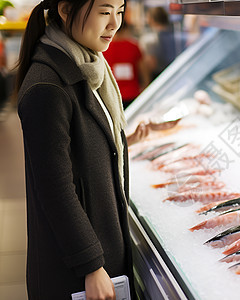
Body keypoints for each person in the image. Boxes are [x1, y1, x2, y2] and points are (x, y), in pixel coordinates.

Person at [14, 0, 151, 298]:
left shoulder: (87, 66)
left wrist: (123, 142)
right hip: (74, 271)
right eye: (104, 12)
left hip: (100, 249)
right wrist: (90, 265)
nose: (114, 24)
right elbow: (54, 188)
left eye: (120, 11)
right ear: (65, 10)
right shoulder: (47, 88)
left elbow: (79, 147)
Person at [104, 20, 149, 108]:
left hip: (112, 94)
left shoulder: (104, 49)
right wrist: (146, 87)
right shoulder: (133, 46)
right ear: (126, 29)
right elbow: (143, 70)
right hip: (133, 93)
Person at [139, 6, 183, 81]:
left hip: (157, 78)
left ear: (151, 20)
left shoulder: (149, 40)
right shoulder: (178, 37)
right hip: (176, 75)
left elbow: (151, 64)